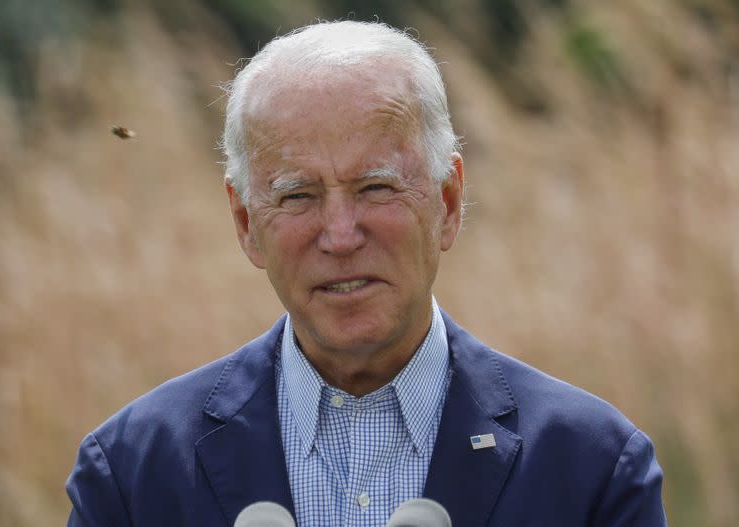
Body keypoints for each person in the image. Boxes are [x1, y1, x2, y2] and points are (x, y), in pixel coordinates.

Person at [66, 21, 666, 526]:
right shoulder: (132, 476)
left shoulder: (592, 471)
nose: (341, 234)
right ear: (246, 223)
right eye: (297, 196)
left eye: (376, 188)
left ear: (448, 203)